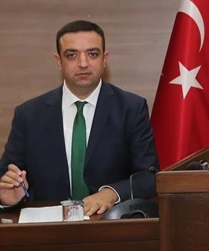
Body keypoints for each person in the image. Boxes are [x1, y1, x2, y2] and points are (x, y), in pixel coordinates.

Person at [0, 20, 159, 215]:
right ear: (59, 61)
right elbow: (7, 175)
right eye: (71, 55)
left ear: (105, 59)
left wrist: (112, 193)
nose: (83, 63)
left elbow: (149, 176)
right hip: (46, 226)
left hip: (109, 224)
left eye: (92, 54)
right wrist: (7, 198)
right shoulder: (29, 114)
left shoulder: (131, 108)